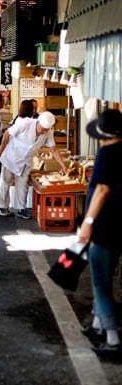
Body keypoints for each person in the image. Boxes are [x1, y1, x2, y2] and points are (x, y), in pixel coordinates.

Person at [77, 109, 122, 355]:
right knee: (105, 275)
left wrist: (88, 221)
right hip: (119, 225)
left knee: (100, 282)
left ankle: (112, 338)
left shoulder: (107, 153)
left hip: (104, 225)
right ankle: (97, 326)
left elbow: (102, 190)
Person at [0, 111, 68, 218]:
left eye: (47, 129)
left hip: (26, 161)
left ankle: (21, 208)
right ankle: (2, 206)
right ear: (38, 122)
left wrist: (63, 166)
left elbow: (54, 150)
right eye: (43, 129)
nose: (44, 132)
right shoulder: (26, 123)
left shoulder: (48, 133)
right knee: (6, 181)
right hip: (11, 156)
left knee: (23, 184)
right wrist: (1, 152)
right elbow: (7, 134)